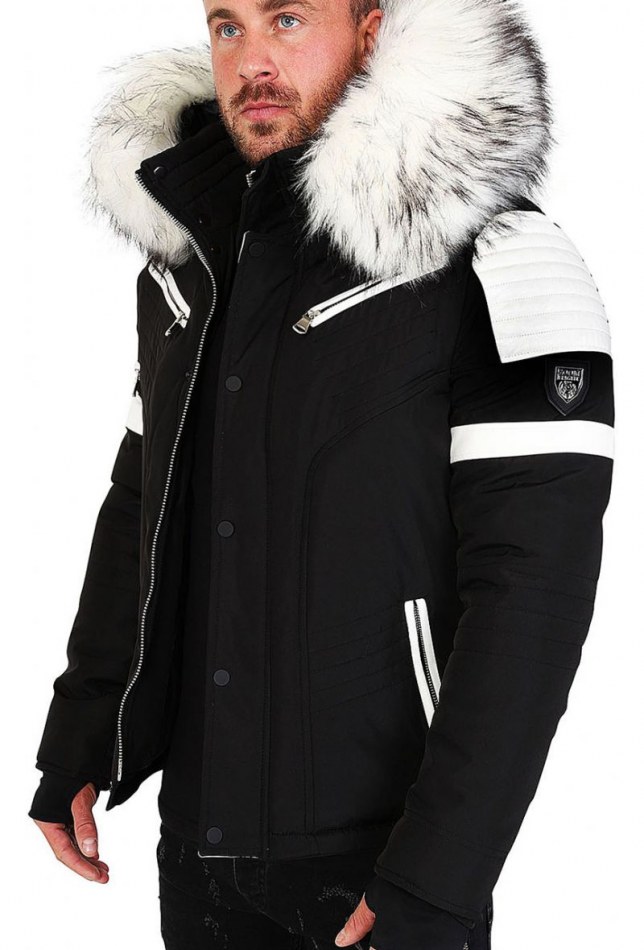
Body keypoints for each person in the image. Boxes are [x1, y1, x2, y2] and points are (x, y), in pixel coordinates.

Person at [28, 0, 615, 947]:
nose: (252, 60)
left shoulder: (500, 259)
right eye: (227, 26)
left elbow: (534, 596)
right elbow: (141, 505)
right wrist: (84, 738)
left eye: (289, 20)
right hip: (199, 851)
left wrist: (440, 873)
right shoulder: (190, 263)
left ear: (371, 30)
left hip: (383, 862)